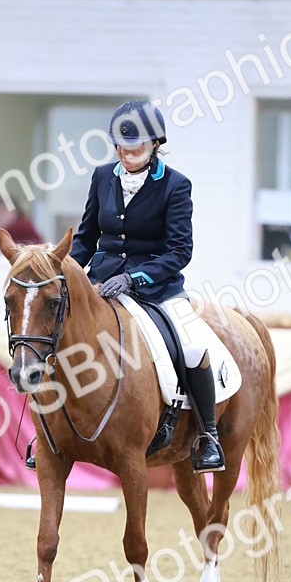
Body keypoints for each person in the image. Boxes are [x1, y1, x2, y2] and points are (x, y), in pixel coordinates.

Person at [67, 99, 224, 474]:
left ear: (155, 144)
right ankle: (51, 433)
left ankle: (208, 436)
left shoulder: (175, 185)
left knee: (192, 344)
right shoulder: (103, 176)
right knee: (59, 333)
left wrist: (135, 277)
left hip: (157, 287)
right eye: (121, 148)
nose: (127, 155)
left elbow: (179, 250)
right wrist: (65, 269)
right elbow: (87, 237)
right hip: (102, 284)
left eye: (136, 148)